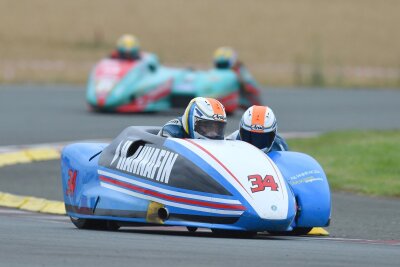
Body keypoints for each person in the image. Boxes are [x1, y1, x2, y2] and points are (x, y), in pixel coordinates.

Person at [159, 97, 227, 140]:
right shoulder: (172, 132)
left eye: (218, 128)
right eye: (208, 127)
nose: (213, 134)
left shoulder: (218, 138)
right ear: (192, 121)